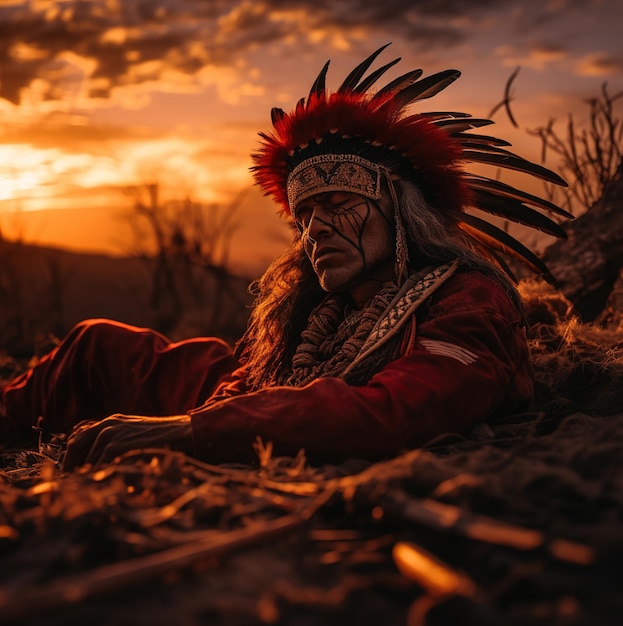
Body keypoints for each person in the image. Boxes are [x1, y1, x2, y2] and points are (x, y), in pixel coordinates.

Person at [0, 45, 570, 471]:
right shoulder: (314, 309)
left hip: (294, 421)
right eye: (304, 217)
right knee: (95, 344)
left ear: (399, 209)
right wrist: (211, 411)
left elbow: (396, 410)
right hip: (265, 405)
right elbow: (249, 381)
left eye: (339, 204)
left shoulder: (466, 299)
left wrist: (188, 431)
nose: (315, 228)